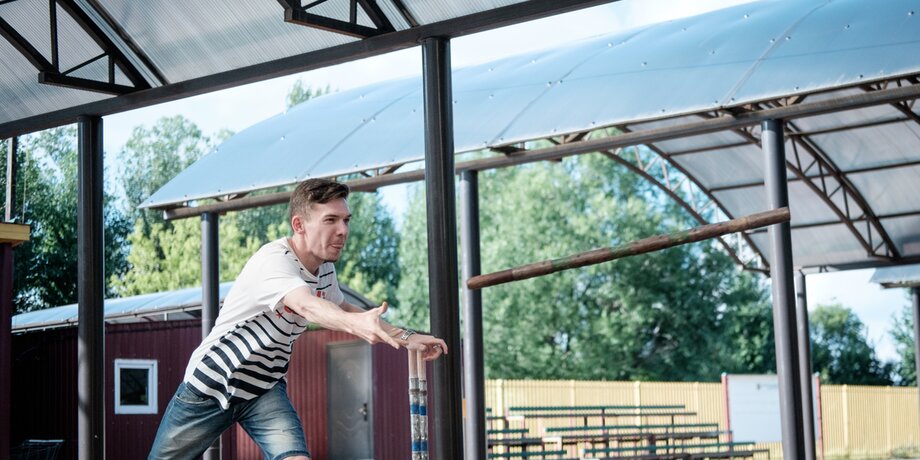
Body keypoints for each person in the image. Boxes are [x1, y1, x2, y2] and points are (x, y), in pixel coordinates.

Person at [149, 178, 447, 460]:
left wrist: (405, 337)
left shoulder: (325, 269)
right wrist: (356, 325)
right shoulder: (274, 261)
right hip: (213, 382)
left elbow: (342, 307)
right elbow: (307, 306)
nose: (342, 230)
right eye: (330, 220)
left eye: (346, 220)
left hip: (264, 388)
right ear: (299, 225)